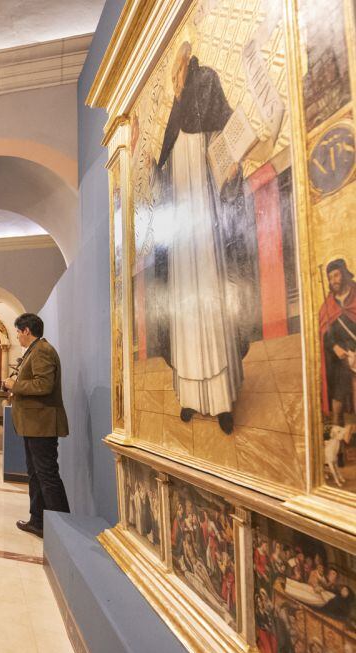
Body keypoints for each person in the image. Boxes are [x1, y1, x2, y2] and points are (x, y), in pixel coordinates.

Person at [154, 41, 255, 436]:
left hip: (206, 220)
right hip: (182, 237)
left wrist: (230, 166)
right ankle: (192, 396)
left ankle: (221, 398)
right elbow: (162, 170)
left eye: (177, 71)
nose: (175, 80)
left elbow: (229, 136)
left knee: (211, 298)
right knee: (184, 307)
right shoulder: (175, 113)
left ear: (187, 65)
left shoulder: (207, 82)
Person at [3, 313, 69, 539]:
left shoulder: (42, 351)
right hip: (33, 425)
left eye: (18, 332)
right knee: (35, 475)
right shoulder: (34, 351)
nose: (17, 337)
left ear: (27, 330)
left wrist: (15, 384)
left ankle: (62, 530)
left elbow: (44, 385)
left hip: (41, 424)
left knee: (47, 476)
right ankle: (38, 521)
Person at [320, 258, 356, 426]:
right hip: (341, 355)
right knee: (339, 386)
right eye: (330, 278)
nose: (333, 281)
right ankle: (337, 431)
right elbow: (325, 334)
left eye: (336, 275)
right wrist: (335, 347)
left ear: (344, 273)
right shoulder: (329, 304)